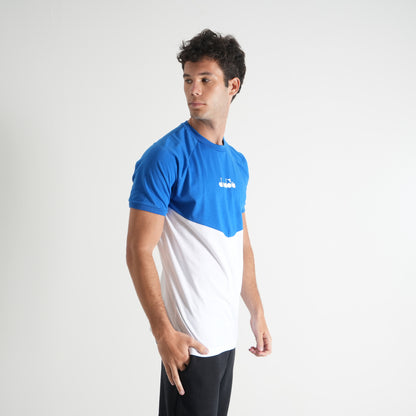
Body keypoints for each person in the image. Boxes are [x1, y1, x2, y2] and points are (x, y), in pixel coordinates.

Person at [126, 29, 272, 416]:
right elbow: (138, 251)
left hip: (225, 340)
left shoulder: (237, 163)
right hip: (189, 344)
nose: (194, 90)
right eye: (188, 79)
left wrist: (256, 311)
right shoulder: (165, 157)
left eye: (206, 80)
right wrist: (163, 333)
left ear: (233, 86)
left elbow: (240, 243)